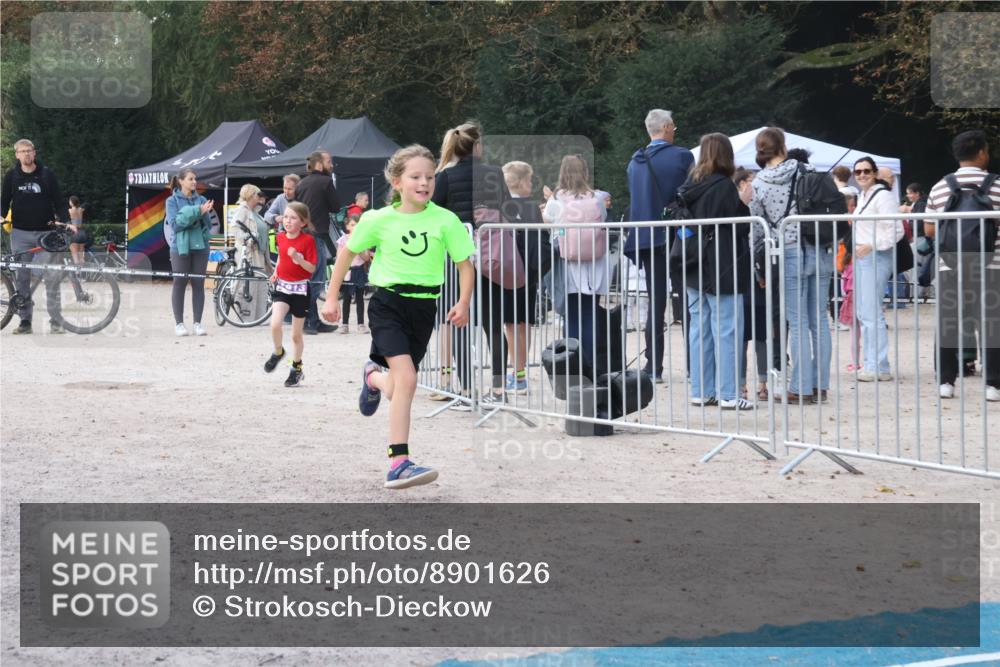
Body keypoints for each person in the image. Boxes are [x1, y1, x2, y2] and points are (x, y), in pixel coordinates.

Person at [321, 144, 475, 489]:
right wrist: (332, 296)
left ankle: (372, 378)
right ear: (396, 181)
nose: (424, 183)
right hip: (387, 304)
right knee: (407, 379)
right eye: (416, 177)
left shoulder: (445, 219)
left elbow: (466, 266)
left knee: (401, 384)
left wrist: (464, 302)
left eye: (430, 177)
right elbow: (346, 254)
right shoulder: (378, 219)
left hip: (424, 308)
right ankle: (399, 462)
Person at [749, 127, 832, 404]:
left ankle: (800, 386)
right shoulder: (806, 170)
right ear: (783, 147)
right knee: (819, 319)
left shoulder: (759, 183)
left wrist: (757, 263)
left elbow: (757, 231)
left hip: (788, 251)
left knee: (797, 322)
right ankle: (820, 385)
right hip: (818, 246)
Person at [432, 122, 511, 403]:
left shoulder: (445, 177)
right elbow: (505, 207)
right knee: (493, 324)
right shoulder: (494, 174)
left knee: (459, 321)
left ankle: (465, 389)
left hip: (456, 260)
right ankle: (499, 389)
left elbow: (436, 215)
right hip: (490, 255)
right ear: (477, 146)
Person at [676, 134, 753, 409]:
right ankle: (729, 393)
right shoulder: (724, 187)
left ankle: (701, 389)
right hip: (724, 265)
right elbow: (740, 227)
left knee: (699, 328)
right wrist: (744, 204)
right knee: (727, 328)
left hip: (694, 264)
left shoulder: (688, 186)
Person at [924, 129, 1000, 400]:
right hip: (990, 265)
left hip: (950, 264)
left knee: (949, 322)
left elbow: (929, 229)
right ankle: (993, 385)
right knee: (991, 323)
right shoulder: (997, 185)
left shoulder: (941, 186)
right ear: (981, 152)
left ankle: (946, 382)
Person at [625, 109, 694, 381]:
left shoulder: (635, 161)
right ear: (665, 127)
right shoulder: (682, 156)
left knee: (656, 303)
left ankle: (653, 367)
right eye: (673, 126)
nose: (675, 130)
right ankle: (693, 366)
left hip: (647, 238)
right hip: (678, 236)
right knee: (687, 300)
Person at [543, 155, 610, 372]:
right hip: (595, 265)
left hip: (569, 264)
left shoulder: (558, 199)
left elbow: (550, 225)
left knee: (571, 317)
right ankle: (591, 366)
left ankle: (573, 367)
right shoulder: (597, 198)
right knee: (590, 315)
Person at [1, 138, 67, 334]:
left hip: (46, 234)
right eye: (23, 151)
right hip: (20, 233)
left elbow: (60, 202)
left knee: (52, 276)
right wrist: (2, 216)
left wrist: (64, 220)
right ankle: (25, 322)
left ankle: (56, 320)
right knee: (21, 278)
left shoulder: (47, 175)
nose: (27, 154)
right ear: (17, 155)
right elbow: (4, 201)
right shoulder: (11, 176)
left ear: (34, 153)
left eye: (29, 150)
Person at [851, 156, 904, 382]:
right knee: (866, 312)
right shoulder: (864, 196)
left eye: (866, 171)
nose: (862, 175)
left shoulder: (882, 196)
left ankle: (875, 365)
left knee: (871, 313)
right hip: (864, 257)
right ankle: (878, 364)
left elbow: (896, 229)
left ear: (874, 173)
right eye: (858, 172)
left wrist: (872, 245)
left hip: (876, 256)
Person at [501, 160, 549, 394]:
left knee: (512, 324)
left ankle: (517, 373)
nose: (531, 184)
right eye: (529, 180)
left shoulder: (501, 206)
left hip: (508, 273)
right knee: (524, 323)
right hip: (529, 273)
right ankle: (520, 373)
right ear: (520, 182)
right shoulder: (532, 208)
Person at [264, 202, 317, 387]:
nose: (288, 221)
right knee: (275, 323)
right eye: (286, 216)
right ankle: (278, 351)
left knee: (296, 335)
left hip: (301, 289)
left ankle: (296, 368)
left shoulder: (308, 241)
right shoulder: (280, 237)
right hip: (283, 287)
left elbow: (311, 268)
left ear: (302, 222)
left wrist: (300, 259)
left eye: (293, 217)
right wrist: (276, 271)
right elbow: (280, 257)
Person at [735, 168, 776, 400]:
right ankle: (741, 385)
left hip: (761, 278)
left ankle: (764, 382)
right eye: (751, 182)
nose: (755, 187)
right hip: (742, 279)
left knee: (762, 334)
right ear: (741, 184)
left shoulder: (764, 207)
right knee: (741, 336)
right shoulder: (735, 208)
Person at [164, 168, 214, 337]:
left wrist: (204, 212)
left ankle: (197, 323)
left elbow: (207, 224)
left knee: (198, 284)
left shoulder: (202, 199)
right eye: (191, 179)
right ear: (181, 181)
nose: (194, 182)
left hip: (201, 247)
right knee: (179, 282)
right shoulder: (172, 201)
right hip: (180, 247)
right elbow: (176, 225)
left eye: (195, 178)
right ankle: (179, 324)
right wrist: (197, 212)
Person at [295, 150, 340, 334]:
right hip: (317, 235)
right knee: (317, 280)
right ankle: (304, 320)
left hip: (301, 235)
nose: (332, 165)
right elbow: (336, 207)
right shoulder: (326, 182)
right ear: (319, 164)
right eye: (329, 161)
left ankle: (313, 320)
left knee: (307, 278)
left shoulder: (301, 183)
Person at [336, 213, 371, 334]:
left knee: (360, 298)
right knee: (346, 298)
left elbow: (366, 258)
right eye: (352, 225)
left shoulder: (363, 240)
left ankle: (361, 324)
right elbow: (339, 257)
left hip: (359, 270)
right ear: (347, 226)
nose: (355, 227)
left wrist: (359, 250)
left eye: (358, 225)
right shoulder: (343, 240)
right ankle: (344, 324)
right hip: (347, 271)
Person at [232, 183, 272, 272]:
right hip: (249, 253)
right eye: (258, 194)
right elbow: (235, 228)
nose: (259, 197)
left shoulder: (254, 211)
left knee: (259, 282)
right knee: (250, 283)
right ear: (251, 195)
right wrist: (248, 238)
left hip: (259, 252)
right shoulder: (242, 209)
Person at [67, 196, 87, 265]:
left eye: (69, 201)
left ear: (72, 202)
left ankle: (77, 274)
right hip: (82, 233)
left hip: (75, 232)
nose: (69, 202)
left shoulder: (70, 210)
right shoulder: (81, 209)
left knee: (75, 257)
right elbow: (85, 205)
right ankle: (84, 274)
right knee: (81, 258)